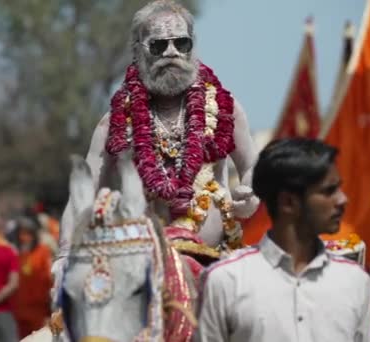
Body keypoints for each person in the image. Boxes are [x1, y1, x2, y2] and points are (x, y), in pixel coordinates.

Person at [54, 0, 258, 294]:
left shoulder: (225, 108)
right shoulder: (114, 121)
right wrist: (64, 256)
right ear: (138, 51)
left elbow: (252, 165)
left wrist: (250, 195)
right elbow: (82, 194)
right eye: (159, 46)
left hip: (215, 267)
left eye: (181, 43)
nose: (172, 52)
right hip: (139, 274)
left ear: (193, 47)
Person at [195, 138, 370, 341]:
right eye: (328, 191)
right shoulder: (226, 281)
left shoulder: (355, 281)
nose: (343, 200)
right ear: (288, 202)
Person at [11, 217, 52, 338]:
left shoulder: (43, 251)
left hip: (39, 309)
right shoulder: (15, 253)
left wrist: (49, 310)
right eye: (21, 234)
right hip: (20, 309)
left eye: (27, 233)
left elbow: (48, 278)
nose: (24, 237)